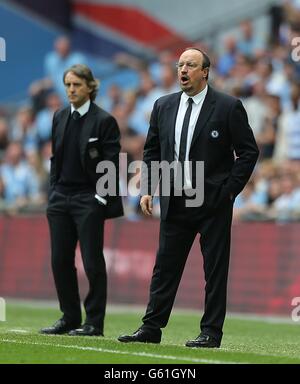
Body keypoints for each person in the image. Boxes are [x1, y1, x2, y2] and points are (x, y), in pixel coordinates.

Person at [118, 48, 259, 348]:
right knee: (165, 268)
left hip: (212, 203)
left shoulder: (227, 106)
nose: (183, 69)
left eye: (190, 65)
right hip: (174, 199)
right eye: (180, 64)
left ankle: (211, 332)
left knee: (215, 271)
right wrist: (148, 188)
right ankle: (151, 328)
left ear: (205, 71)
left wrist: (229, 191)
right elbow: (152, 150)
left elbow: (248, 152)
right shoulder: (163, 105)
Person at [40, 64, 123, 337]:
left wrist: (100, 198)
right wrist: (54, 190)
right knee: (59, 260)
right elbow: (55, 157)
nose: (71, 90)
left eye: (76, 84)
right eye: (67, 85)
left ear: (90, 86)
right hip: (61, 197)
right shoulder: (60, 116)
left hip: (89, 198)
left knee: (91, 262)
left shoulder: (104, 121)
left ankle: (94, 323)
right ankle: (70, 316)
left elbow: (111, 164)